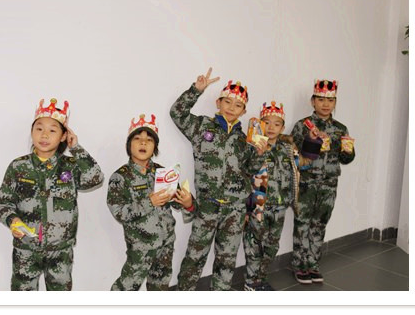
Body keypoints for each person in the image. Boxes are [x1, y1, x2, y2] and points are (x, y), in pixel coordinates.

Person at [169, 68, 269, 290]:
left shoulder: (245, 140)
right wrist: (196, 90)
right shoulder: (202, 127)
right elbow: (177, 113)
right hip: (207, 206)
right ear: (218, 103)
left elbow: (251, 169)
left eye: (238, 105)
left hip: (234, 209)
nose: (232, 108)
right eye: (227, 102)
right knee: (195, 257)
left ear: (243, 111)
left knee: (226, 260)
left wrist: (259, 154)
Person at [0, 98, 104, 290]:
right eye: (39, 129)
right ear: (32, 132)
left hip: (60, 251)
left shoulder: (70, 166)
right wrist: (12, 220)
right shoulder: (19, 166)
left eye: (52, 130)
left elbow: (95, 178)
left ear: (63, 136)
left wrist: (76, 148)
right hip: (26, 248)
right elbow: (2, 203)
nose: (44, 135)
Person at [107, 114, 195, 290]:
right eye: (137, 139)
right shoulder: (120, 177)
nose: (143, 143)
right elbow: (119, 212)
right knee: (126, 287)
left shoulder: (163, 173)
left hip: (166, 243)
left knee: (160, 287)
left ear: (155, 146)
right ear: (129, 145)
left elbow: (179, 202)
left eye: (149, 140)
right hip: (141, 246)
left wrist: (188, 202)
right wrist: (149, 202)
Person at [290, 81, 355, 285]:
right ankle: (300, 265)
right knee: (302, 224)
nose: (326, 104)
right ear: (313, 101)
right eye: (321, 99)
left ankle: (313, 264)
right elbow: (293, 155)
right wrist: (312, 142)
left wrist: (349, 151)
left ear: (335, 102)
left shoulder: (340, 129)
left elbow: (345, 159)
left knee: (319, 225)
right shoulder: (302, 125)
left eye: (330, 100)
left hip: (329, 185)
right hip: (306, 183)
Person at [243, 101, 313, 291]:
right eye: (266, 122)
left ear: (282, 127)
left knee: (272, 246)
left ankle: (260, 278)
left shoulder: (287, 149)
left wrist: (313, 142)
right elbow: (246, 171)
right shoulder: (253, 146)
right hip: (258, 206)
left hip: (280, 207)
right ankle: (251, 282)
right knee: (254, 244)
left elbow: (304, 163)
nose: (271, 127)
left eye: (276, 123)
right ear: (260, 123)